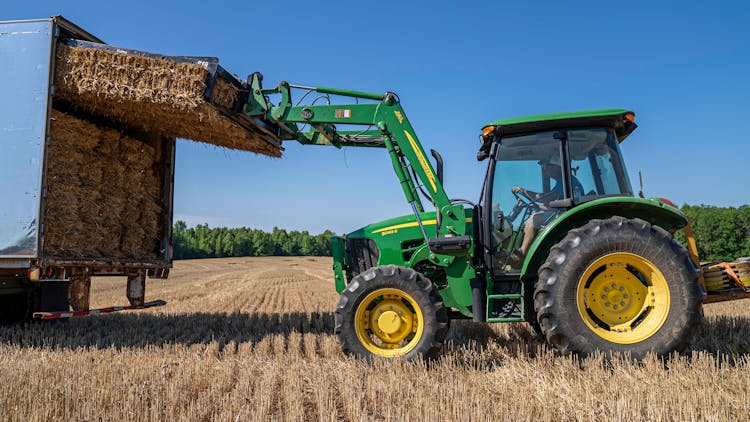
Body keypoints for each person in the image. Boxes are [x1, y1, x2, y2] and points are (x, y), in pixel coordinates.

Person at [510, 156, 582, 262]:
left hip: (568, 215)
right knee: (534, 216)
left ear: (557, 167)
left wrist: (524, 191)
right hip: (564, 212)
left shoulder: (565, 180)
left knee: (534, 219)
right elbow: (555, 203)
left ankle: (522, 253)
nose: (545, 169)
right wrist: (537, 206)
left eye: (547, 166)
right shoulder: (563, 181)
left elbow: (547, 198)